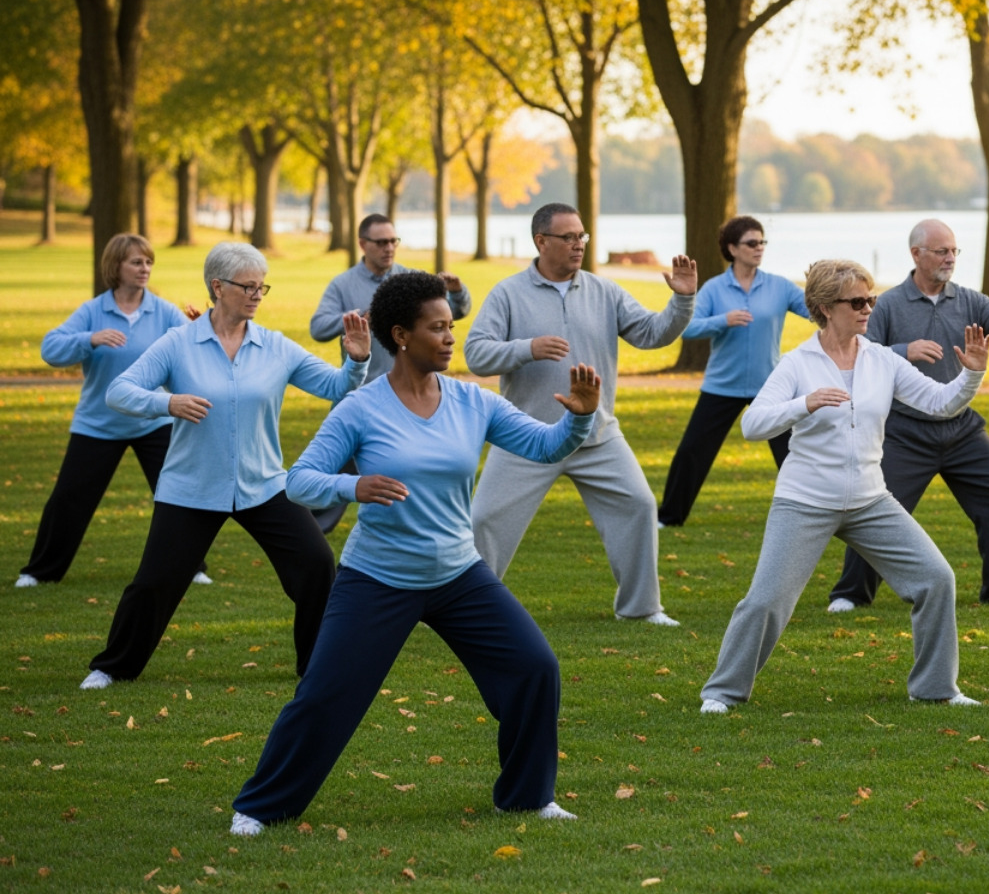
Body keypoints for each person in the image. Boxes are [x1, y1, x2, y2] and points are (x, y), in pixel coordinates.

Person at [229, 273, 597, 835]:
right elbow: (298, 480)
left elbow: (546, 447)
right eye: (438, 328)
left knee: (534, 668)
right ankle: (259, 807)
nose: (451, 338)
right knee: (326, 695)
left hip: (458, 574)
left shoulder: (473, 400)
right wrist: (355, 487)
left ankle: (525, 797)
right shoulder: (361, 409)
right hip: (377, 577)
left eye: (453, 326)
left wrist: (579, 417)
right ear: (400, 335)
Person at [700, 259, 989, 713]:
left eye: (870, 299)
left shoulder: (881, 359)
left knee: (936, 579)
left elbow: (940, 404)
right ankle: (722, 692)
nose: (867, 309)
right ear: (823, 307)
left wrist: (970, 374)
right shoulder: (798, 363)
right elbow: (753, 424)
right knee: (767, 601)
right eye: (856, 302)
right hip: (805, 500)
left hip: (871, 500)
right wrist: (804, 404)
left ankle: (936, 688)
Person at [79, 242, 371, 690]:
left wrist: (355, 359)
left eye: (262, 287)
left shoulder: (274, 346)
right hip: (191, 487)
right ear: (218, 286)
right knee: (154, 584)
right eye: (248, 286)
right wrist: (167, 402)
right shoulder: (178, 342)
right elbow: (119, 391)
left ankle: (315, 663)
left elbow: (335, 387)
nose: (257, 294)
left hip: (266, 485)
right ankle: (112, 666)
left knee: (316, 564)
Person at [466, 203, 695, 625]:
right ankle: (467, 609)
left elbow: (650, 333)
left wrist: (681, 301)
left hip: (596, 434)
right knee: (483, 519)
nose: (578, 245)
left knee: (639, 505)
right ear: (541, 241)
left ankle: (641, 609)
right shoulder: (508, 293)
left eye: (582, 237)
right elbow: (476, 353)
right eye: (568, 237)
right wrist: (526, 348)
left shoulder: (603, 291)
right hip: (525, 436)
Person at [826, 218, 989, 612]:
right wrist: (903, 350)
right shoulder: (888, 304)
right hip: (904, 432)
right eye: (941, 251)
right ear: (917, 254)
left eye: (954, 251)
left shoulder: (970, 301)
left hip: (961, 429)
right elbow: (858, 353)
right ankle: (850, 594)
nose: (950, 258)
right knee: (874, 508)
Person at [18, 234, 213, 588]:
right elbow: (50, 348)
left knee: (180, 494)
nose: (145, 269)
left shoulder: (163, 311)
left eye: (149, 262)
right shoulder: (93, 311)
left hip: (153, 421)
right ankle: (38, 572)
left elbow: (199, 350)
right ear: (115, 266)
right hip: (98, 424)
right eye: (136, 262)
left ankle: (192, 567)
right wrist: (89, 339)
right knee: (68, 500)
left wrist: (201, 327)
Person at [308, 213, 472, 533]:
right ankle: (308, 539)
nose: (389, 248)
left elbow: (454, 313)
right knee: (329, 484)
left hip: (404, 402)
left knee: (407, 478)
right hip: (356, 400)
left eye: (393, 241)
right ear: (362, 244)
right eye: (381, 242)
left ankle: (412, 536)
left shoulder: (409, 281)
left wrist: (458, 291)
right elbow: (317, 327)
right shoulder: (343, 284)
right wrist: (358, 316)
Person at [657, 215, 809, 527]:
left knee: (795, 455)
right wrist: (722, 320)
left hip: (770, 388)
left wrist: (824, 286)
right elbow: (686, 328)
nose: (759, 248)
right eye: (751, 243)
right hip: (721, 387)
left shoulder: (779, 286)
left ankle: (812, 515)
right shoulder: (714, 289)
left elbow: (815, 311)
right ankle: (669, 518)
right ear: (732, 248)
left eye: (762, 242)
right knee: (691, 453)